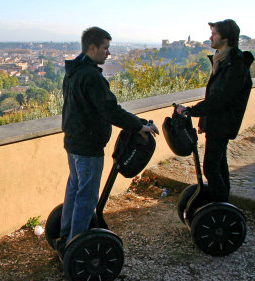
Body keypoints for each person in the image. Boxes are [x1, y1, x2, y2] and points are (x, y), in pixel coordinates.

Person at [58, 26, 159, 258]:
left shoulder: (73, 71)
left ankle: (66, 236)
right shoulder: (91, 76)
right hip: (88, 145)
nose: (108, 53)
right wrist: (138, 125)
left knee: (74, 188)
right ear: (92, 48)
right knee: (87, 195)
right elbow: (110, 109)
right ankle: (76, 245)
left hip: (73, 141)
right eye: (105, 48)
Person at [176, 19, 254, 203]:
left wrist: (191, 111)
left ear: (226, 37)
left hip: (223, 122)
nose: (210, 37)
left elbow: (221, 97)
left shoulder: (235, 65)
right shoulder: (224, 60)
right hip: (217, 121)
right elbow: (216, 95)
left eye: (214, 34)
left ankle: (219, 209)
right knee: (219, 165)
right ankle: (223, 204)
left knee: (211, 168)